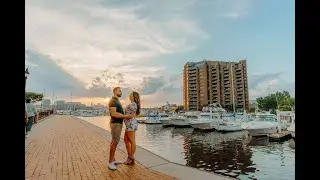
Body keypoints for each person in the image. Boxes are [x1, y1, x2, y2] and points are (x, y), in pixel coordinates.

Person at [108, 87, 134, 170]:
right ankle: (110, 162)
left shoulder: (116, 101)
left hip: (118, 124)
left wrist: (122, 115)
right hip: (115, 124)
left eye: (121, 91)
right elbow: (114, 114)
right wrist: (127, 116)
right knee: (115, 142)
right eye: (119, 91)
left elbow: (118, 113)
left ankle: (113, 159)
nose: (121, 92)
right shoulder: (113, 101)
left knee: (114, 141)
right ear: (115, 91)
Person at [123, 91, 141, 165]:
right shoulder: (132, 104)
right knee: (126, 140)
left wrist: (121, 116)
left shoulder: (133, 104)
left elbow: (131, 116)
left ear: (133, 96)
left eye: (130, 94)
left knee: (132, 141)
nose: (129, 95)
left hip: (131, 124)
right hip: (129, 125)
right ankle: (130, 157)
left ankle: (130, 157)